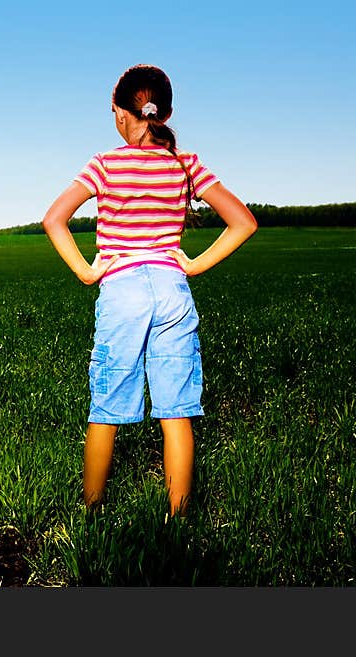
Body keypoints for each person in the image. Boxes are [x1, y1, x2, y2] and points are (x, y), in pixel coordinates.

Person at [41, 64, 257, 516]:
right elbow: (243, 222)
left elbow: (53, 219)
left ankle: (93, 512)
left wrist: (85, 270)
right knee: (175, 410)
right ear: (163, 112)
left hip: (121, 291)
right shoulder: (185, 163)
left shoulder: (103, 163)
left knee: (107, 406)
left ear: (120, 113)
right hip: (172, 290)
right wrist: (194, 265)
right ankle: (177, 520)